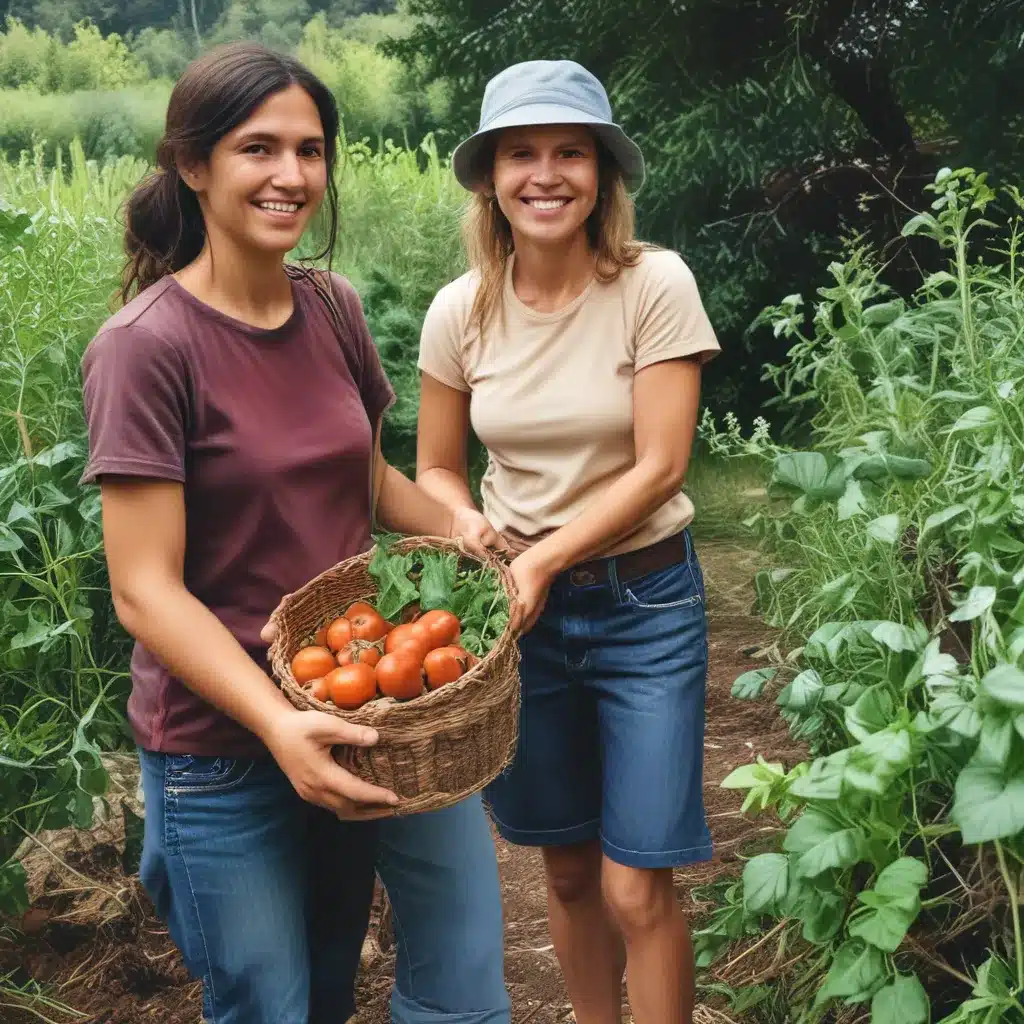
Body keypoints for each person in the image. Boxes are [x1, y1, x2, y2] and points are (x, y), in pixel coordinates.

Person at [79, 41, 510, 1024]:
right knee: (264, 1004)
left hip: (346, 704)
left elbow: (366, 478)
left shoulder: (330, 307)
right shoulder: (146, 348)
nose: (291, 176)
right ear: (193, 165)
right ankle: (173, 856)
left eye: (310, 150)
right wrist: (276, 724)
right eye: (258, 149)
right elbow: (144, 589)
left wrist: (460, 523)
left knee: (319, 990)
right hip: (222, 744)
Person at [415, 59, 720, 1024]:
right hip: (520, 621)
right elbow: (434, 468)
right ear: (490, 178)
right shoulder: (459, 309)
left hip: (645, 606)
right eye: (521, 154)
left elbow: (662, 464)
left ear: (602, 175)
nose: (545, 174)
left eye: (570, 153)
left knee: (638, 887)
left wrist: (543, 557)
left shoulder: (652, 284)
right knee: (572, 871)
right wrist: (467, 524)